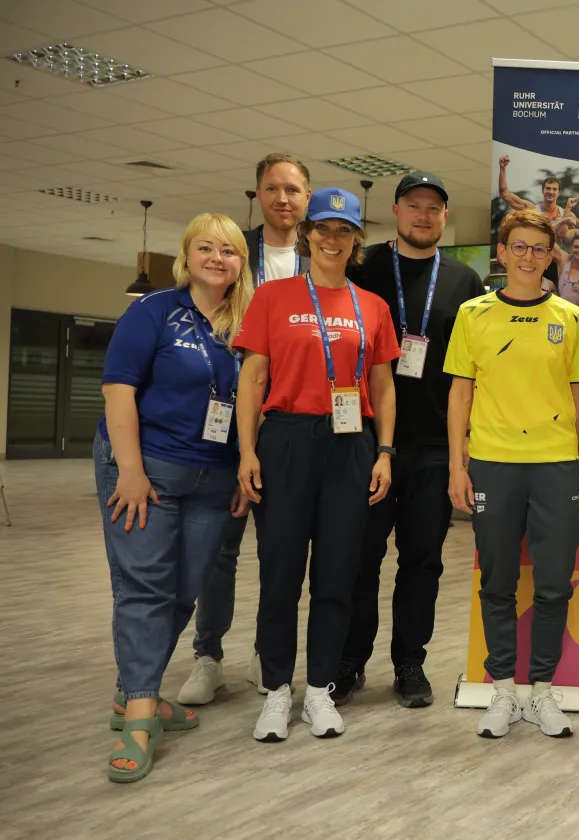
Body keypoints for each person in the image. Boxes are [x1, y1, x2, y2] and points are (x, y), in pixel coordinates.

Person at [234, 187, 401, 742]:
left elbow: (383, 385)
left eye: (343, 231)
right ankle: (277, 689)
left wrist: (384, 451)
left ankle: (321, 689)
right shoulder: (272, 297)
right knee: (280, 573)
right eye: (323, 228)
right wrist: (248, 450)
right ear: (307, 235)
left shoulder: (372, 306)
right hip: (285, 439)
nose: (332, 239)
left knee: (336, 573)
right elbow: (253, 378)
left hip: (350, 444)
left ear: (356, 240)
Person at [97, 212, 253, 781]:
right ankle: (141, 716)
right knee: (147, 586)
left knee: (185, 590)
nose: (217, 258)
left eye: (229, 250)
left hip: (214, 476)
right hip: (148, 470)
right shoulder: (154, 310)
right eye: (206, 248)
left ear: (241, 263)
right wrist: (131, 471)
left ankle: (133, 692)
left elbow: (251, 402)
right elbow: (118, 391)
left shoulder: (245, 323)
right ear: (186, 257)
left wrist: (241, 470)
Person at [332, 172, 486, 708]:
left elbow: (475, 370)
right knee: (360, 558)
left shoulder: (465, 281)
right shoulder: (362, 268)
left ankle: (410, 663)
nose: (424, 215)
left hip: (435, 447)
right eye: (414, 205)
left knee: (422, 562)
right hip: (367, 442)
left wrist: (464, 448)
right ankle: (350, 660)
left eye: (434, 208)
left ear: (445, 217)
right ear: (395, 211)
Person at [444, 208, 579, 739]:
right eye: (520, 247)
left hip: (556, 467)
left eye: (539, 248)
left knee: (554, 586)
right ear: (503, 253)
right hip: (493, 465)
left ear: (550, 255)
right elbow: (459, 394)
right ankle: (504, 691)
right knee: (498, 584)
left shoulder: (570, 317)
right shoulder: (473, 314)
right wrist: (457, 465)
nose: (529, 257)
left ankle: (542, 692)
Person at [177, 152, 312, 706]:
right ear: (258, 194)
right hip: (231, 415)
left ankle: (267, 652)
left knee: (282, 551)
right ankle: (208, 656)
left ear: (307, 197)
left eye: (293, 189)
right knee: (220, 549)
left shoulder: (323, 255)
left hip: (294, 422)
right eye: (272, 188)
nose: (283, 199)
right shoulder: (234, 252)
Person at [497, 155, 569, 224]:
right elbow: (504, 194)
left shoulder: (566, 214)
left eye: (554, 189)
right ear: (542, 191)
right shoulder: (532, 210)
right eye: (548, 188)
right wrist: (503, 168)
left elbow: (575, 230)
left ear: (558, 192)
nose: (551, 192)